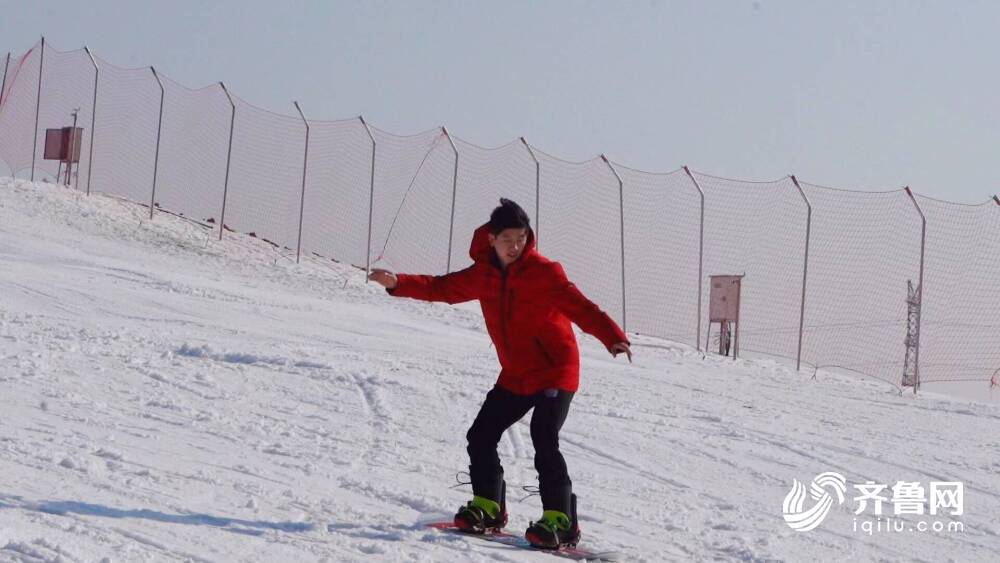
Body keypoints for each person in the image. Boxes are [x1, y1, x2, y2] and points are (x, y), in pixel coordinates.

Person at [369, 198, 631, 549]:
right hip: (517, 374)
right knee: (481, 434)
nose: (515, 246)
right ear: (491, 239)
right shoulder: (484, 275)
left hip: (556, 369)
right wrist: (398, 283)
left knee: (544, 435)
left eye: (521, 238)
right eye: (508, 238)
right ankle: (488, 505)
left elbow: (581, 307)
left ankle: (561, 519)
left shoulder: (545, 272)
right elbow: (441, 289)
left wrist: (613, 337)